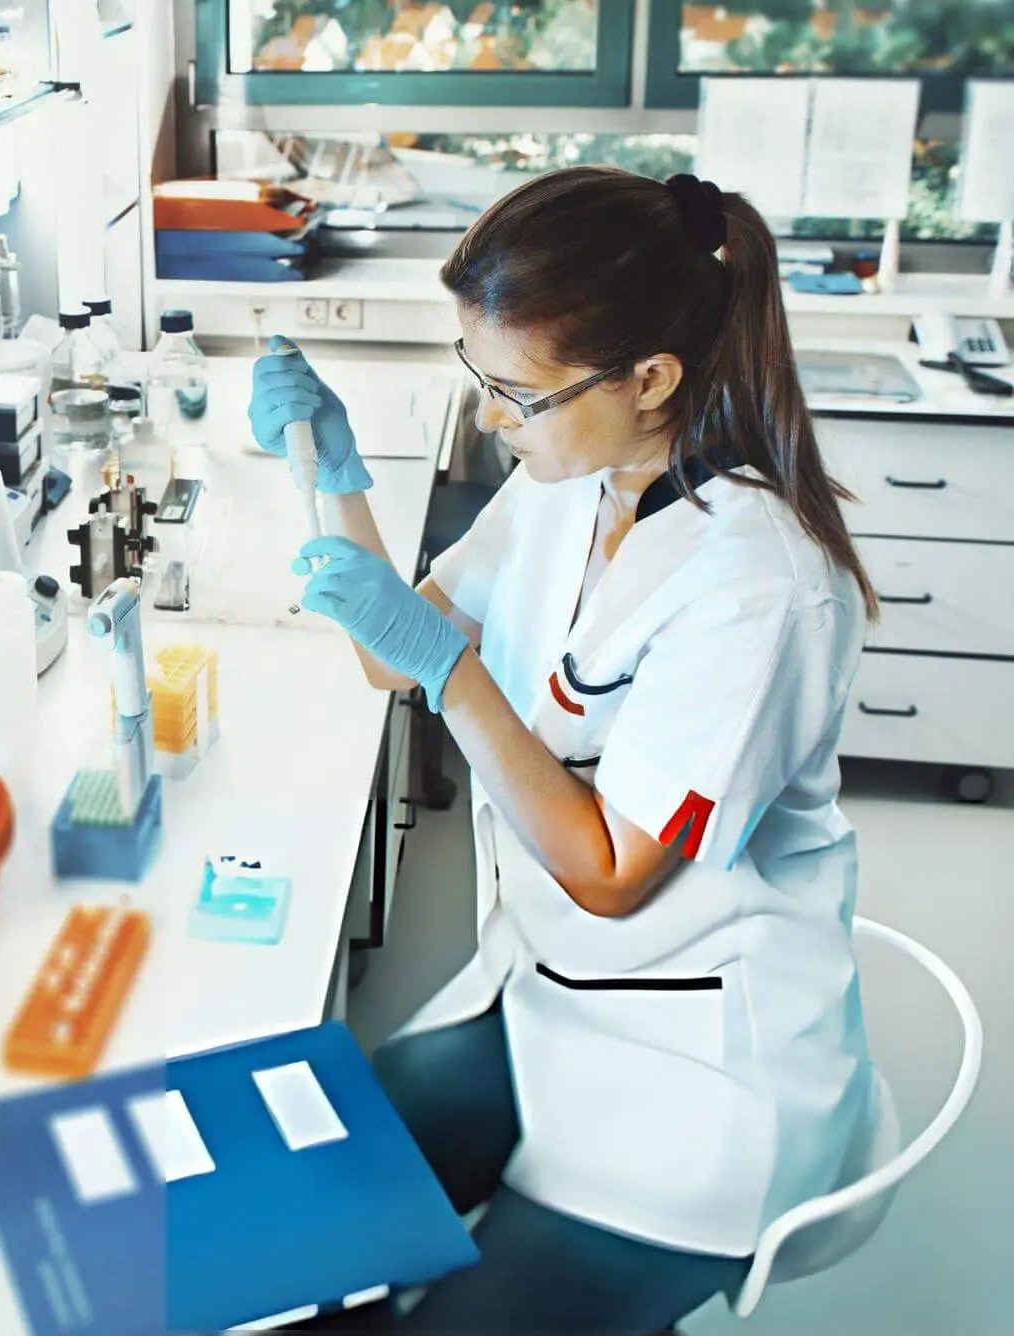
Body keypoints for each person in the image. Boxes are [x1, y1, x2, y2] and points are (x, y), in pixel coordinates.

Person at [252, 168, 879, 1333]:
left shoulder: (758, 586)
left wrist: (455, 676)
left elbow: (607, 873)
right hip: (541, 994)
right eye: (478, 376)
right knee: (269, 1233)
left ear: (648, 378)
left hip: (693, 1075)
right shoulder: (568, 479)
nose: (492, 419)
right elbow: (396, 654)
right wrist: (329, 476)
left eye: (517, 393)